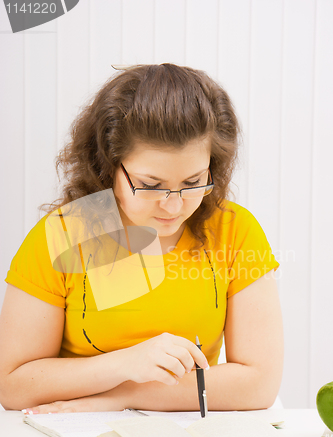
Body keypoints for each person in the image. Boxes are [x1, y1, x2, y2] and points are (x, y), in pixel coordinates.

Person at [0, 63, 283, 414]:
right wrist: (124, 364)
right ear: (108, 164)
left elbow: (259, 384)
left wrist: (123, 397)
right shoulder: (66, 232)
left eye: (194, 182)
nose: (174, 205)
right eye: (150, 185)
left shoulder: (235, 231)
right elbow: (13, 385)